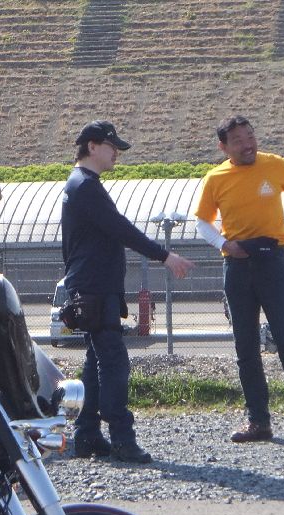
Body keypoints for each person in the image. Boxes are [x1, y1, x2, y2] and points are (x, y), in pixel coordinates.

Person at [62, 120, 194, 463]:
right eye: (111, 146)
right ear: (92, 146)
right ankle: (121, 437)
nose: (116, 153)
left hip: (90, 286)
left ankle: (87, 434)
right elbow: (121, 229)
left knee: (96, 361)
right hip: (95, 288)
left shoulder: (79, 185)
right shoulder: (86, 187)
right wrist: (165, 255)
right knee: (114, 362)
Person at [194, 115, 284, 444]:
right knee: (246, 346)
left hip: (273, 262)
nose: (247, 145)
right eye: (238, 140)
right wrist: (224, 244)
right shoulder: (215, 178)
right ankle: (258, 422)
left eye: (250, 137)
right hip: (237, 266)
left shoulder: (275, 165)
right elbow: (202, 222)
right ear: (223, 147)